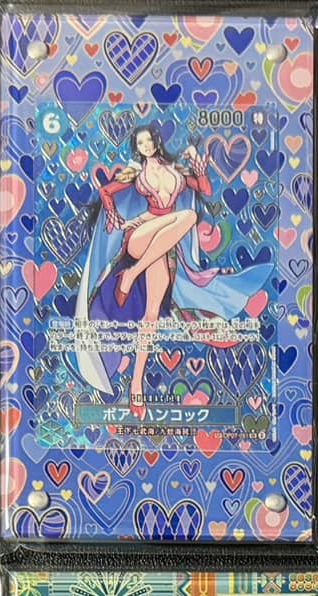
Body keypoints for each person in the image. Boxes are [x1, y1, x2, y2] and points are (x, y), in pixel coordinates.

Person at [75, 125, 274, 417]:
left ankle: (136, 386)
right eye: (139, 143)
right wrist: (115, 216)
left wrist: (201, 171)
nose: (145, 146)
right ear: (136, 147)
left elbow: (205, 189)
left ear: (157, 141)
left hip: (164, 247)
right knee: (188, 215)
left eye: (148, 140)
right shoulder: (136, 173)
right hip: (140, 236)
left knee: (151, 316)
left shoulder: (177, 171)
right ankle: (131, 272)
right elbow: (106, 191)